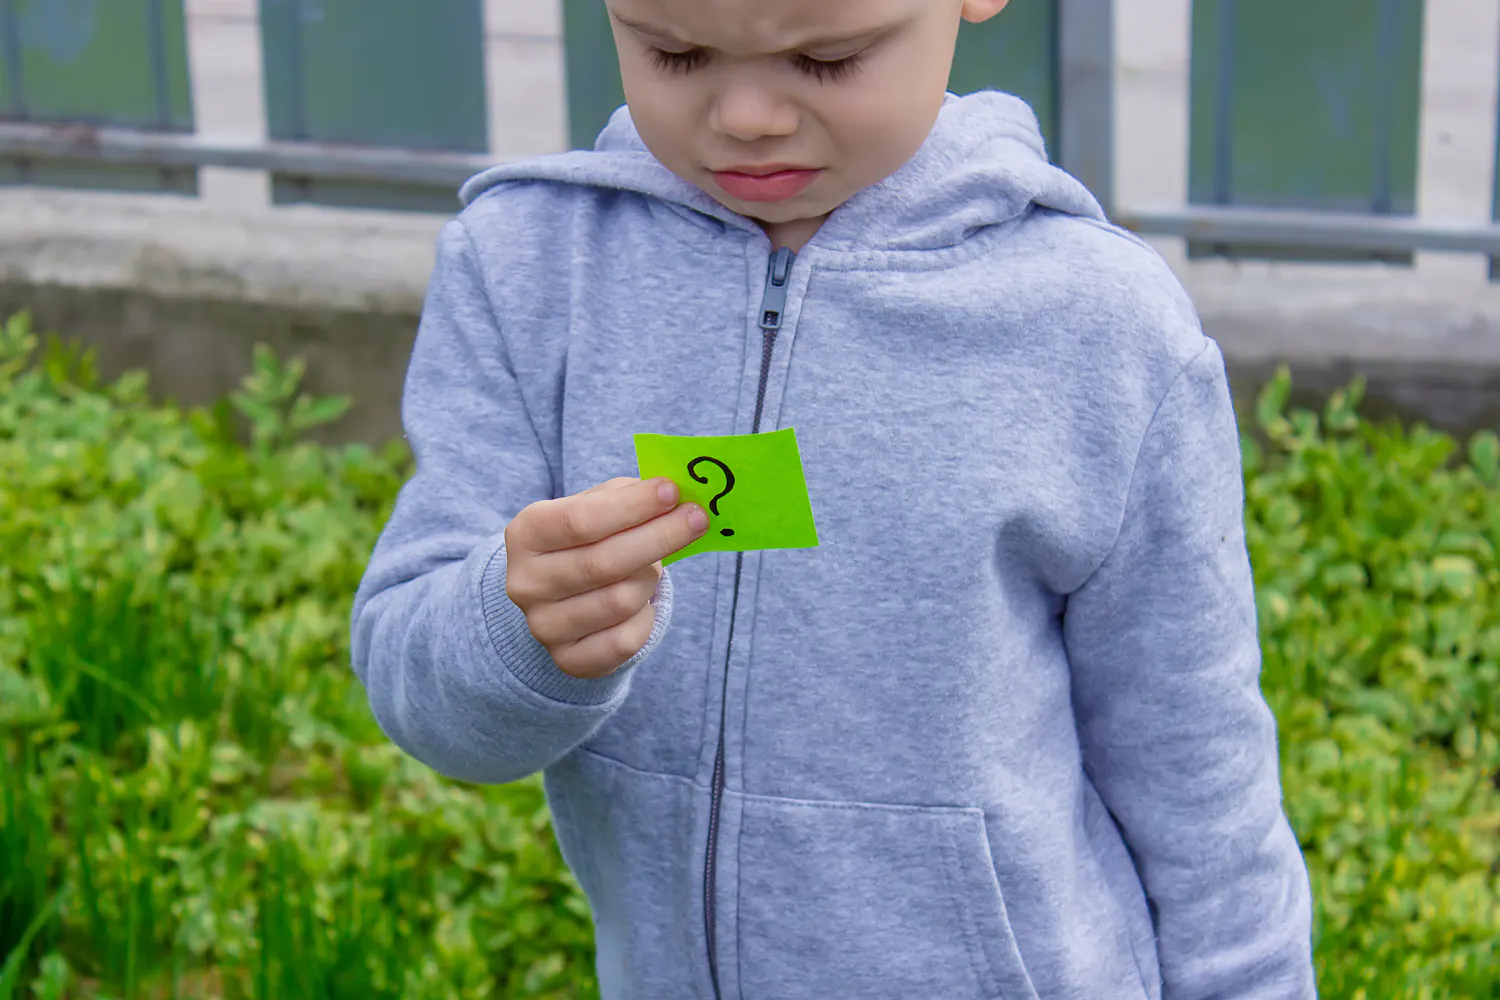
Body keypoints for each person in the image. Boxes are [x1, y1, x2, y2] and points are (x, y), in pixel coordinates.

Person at [349, 0, 1317, 997]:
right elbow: (418, 676)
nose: (750, 115)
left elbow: (1198, 771)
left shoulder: (1098, 329)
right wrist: (518, 633)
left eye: (828, 58)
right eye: (676, 52)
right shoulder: (529, 271)